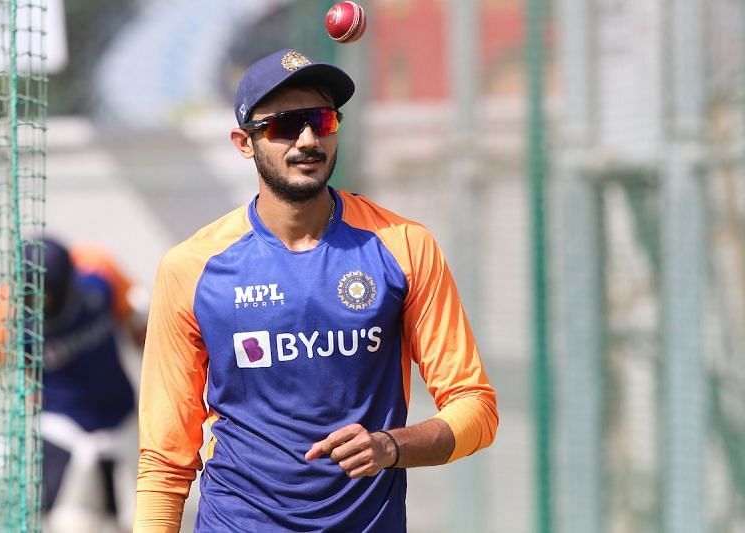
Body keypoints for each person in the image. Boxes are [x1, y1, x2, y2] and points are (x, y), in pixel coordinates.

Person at [135, 48, 498, 531]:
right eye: (286, 125)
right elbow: (165, 456)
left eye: (322, 120)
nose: (308, 139)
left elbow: (476, 407)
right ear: (244, 143)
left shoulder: (404, 246)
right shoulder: (191, 267)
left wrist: (391, 447)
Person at [32, 237, 147, 533]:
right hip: (62, 427)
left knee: (136, 518)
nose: (39, 302)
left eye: (46, 295)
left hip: (118, 417)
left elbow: (140, 331)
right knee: (60, 519)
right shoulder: (11, 314)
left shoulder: (99, 279)